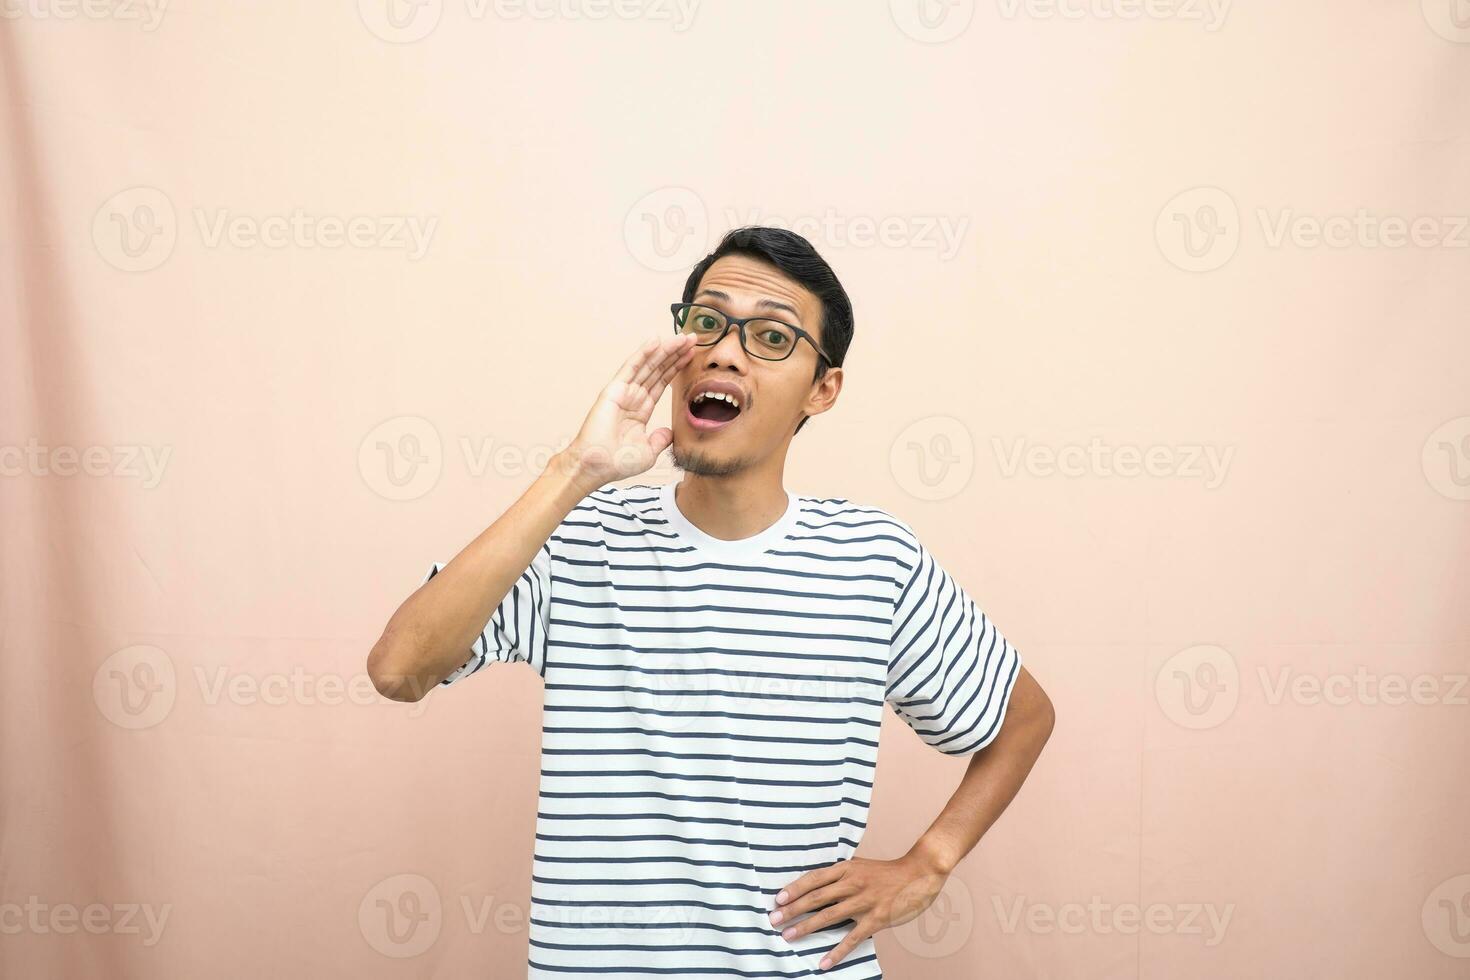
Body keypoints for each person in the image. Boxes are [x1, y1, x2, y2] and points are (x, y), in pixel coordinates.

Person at [367, 225, 1055, 978]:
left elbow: (1024, 717)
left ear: (823, 390)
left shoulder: (873, 559)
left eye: (770, 336)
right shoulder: (578, 537)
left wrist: (930, 861)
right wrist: (575, 469)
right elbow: (400, 668)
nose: (725, 350)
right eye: (706, 322)